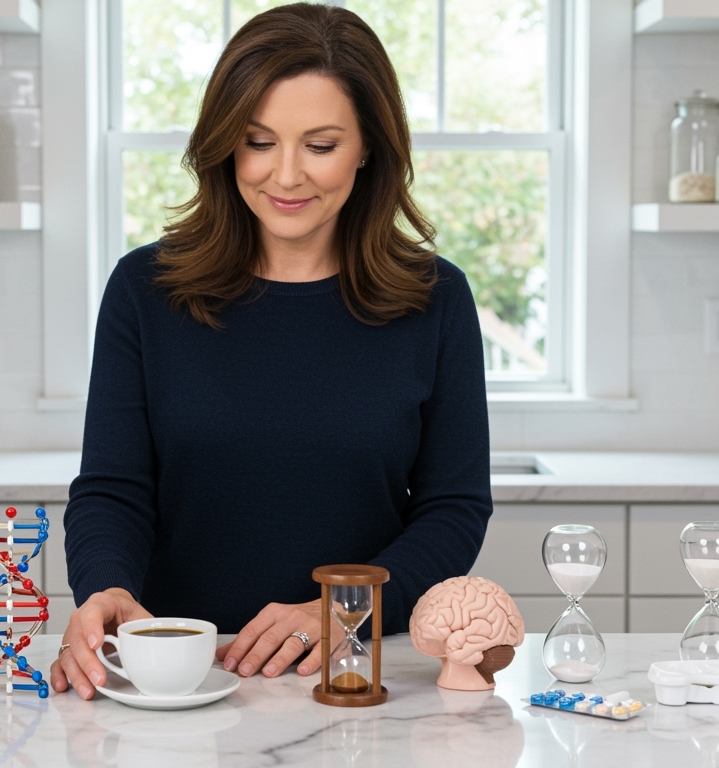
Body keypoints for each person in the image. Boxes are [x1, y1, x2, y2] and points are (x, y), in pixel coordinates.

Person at [50, 2, 492, 700]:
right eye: (258, 142)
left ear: (369, 145)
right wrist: (104, 586)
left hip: (356, 674)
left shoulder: (435, 298)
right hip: (180, 678)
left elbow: (453, 508)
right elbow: (113, 489)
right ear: (225, 143)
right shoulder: (144, 289)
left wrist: (346, 615)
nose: (286, 176)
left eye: (320, 146)